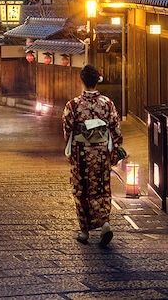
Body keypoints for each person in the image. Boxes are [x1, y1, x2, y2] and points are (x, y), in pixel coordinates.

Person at [62, 64, 123, 247]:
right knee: (102, 187)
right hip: (102, 152)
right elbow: (116, 128)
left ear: (81, 80)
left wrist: (69, 149)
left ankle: (84, 231)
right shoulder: (107, 103)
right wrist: (115, 149)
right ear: (98, 80)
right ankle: (104, 223)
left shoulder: (73, 105)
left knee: (81, 188)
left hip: (81, 152)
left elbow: (67, 129)